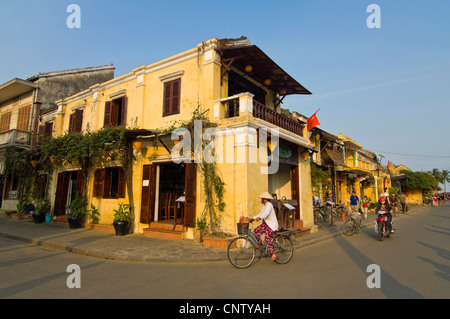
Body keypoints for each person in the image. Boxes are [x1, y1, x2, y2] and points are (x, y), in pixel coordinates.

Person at [249, 192, 279, 261]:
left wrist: (260, 218)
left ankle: (273, 253)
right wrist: (253, 218)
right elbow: (261, 213)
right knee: (256, 231)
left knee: (267, 238)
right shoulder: (264, 206)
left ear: (265, 199)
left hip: (272, 225)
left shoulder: (269, 205)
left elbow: (266, 213)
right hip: (266, 224)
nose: (261, 200)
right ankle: (261, 245)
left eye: (262, 199)